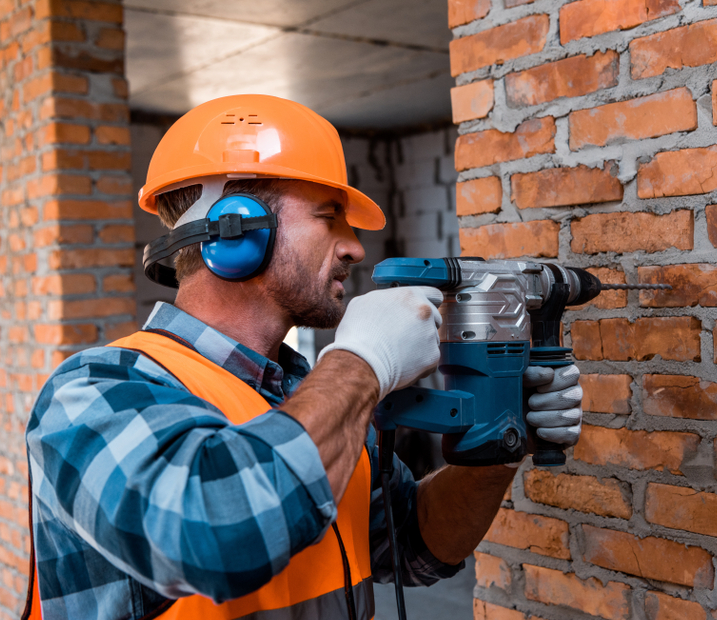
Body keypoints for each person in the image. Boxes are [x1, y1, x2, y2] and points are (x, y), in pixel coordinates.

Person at [23, 94, 583, 619]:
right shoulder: (94, 391)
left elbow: (415, 546)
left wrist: (497, 441)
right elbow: (218, 533)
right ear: (235, 230)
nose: (355, 247)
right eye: (327, 215)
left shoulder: (305, 396)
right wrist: (362, 363)